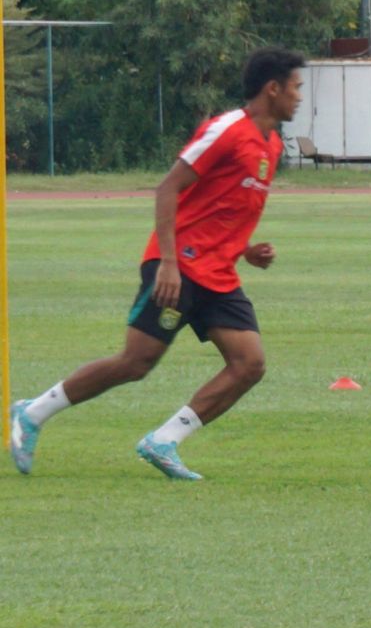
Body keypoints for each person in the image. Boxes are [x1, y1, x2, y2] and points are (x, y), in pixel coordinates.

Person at [8, 47, 303, 480]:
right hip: (178, 266)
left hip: (219, 274)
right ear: (272, 88)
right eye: (295, 88)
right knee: (135, 362)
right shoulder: (226, 130)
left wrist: (245, 251)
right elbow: (168, 188)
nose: (299, 97)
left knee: (249, 363)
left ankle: (164, 440)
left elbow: (220, 208)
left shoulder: (272, 145)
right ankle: (32, 413)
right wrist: (167, 262)